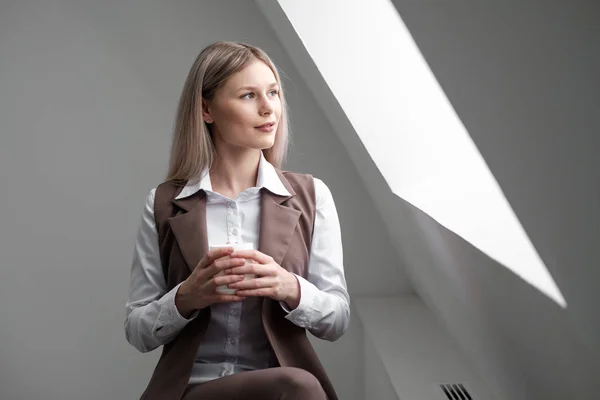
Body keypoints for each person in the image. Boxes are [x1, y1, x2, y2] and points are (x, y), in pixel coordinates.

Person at [124, 41, 350, 400]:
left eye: (273, 93)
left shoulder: (312, 196)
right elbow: (137, 330)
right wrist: (187, 296)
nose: (268, 108)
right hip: (191, 389)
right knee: (301, 387)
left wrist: (289, 287)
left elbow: (337, 319)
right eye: (248, 95)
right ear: (206, 109)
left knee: (298, 386)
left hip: (281, 389)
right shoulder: (165, 203)